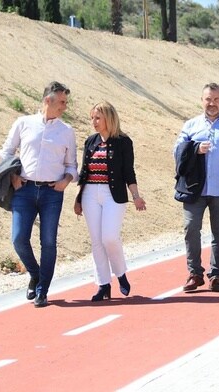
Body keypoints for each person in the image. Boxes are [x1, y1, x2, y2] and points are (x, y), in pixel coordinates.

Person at [0, 81, 78, 307]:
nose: (64, 106)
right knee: (19, 238)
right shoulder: (24, 123)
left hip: (53, 192)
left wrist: (66, 181)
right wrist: (13, 176)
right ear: (47, 101)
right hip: (24, 190)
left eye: (65, 102)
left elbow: (72, 165)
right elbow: (6, 151)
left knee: (48, 242)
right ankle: (35, 273)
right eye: (61, 102)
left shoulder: (66, 131)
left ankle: (42, 290)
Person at [173, 83, 219, 292]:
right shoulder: (191, 126)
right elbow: (176, 151)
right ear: (201, 100)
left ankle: (215, 275)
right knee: (190, 229)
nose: (212, 103)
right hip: (193, 189)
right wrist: (195, 148)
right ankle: (195, 273)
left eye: (216, 99)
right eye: (208, 99)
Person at [74, 101, 147, 302]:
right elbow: (84, 172)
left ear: (109, 118)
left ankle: (120, 273)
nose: (94, 122)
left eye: (98, 118)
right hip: (90, 193)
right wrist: (79, 199)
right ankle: (103, 284)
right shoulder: (90, 141)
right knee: (97, 241)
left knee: (109, 237)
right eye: (92, 118)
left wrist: (136, 196)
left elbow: (128, 172)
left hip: (113, 194)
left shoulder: (123, 142)